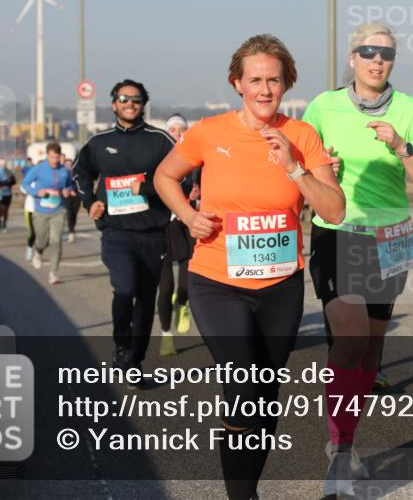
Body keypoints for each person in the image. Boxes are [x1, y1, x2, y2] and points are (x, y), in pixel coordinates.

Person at [154, 34, 345, 500]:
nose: (264, 89)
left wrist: (294, 169)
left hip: (280, 286)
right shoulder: (210, 132)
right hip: (217, 281)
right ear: (236, 83)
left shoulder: (301, 137)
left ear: (286, 85)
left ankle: (247, 489)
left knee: (264, 395)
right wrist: (188, 215)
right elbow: (164, 175)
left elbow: (335, 210)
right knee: (243, 384)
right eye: (255, 80)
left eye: (274, 80)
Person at [303, 22, 413, 496]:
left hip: (391, 237)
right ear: (351, 57)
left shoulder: (408, 110)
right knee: (352, 336)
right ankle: (339, 451)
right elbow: (301, 167)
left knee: (368, 348)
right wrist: (325, 170)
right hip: (338, 233)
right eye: (367, 51)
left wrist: (401, 147)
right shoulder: (324, 106)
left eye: (385, 53)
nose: (376, 60)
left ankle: (349, 437)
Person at [72, 79, 176, 385]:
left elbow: (181, 176)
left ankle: (135, 361)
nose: (130, 104)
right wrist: (89, 201)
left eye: (136, 99)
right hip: (116, 232)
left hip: (153, 232)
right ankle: (121, 344)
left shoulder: (161, 140)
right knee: (125, 289)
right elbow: (80, 173)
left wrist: (147, 187)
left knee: (145, 299)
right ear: (114, 103)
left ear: (144, 104)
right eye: (124, 99)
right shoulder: (99, 142)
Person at [155, 113, 200, 357]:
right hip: (163, 226)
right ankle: (165, 335)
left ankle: (182, 303)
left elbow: (205, 186)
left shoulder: (196, 161)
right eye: (172, 128)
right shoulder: (156, 160)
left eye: (181, 128)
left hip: (187, 223)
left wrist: (198, 195)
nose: (177, 132)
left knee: (187, 282)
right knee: (165, 287)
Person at [24, 143, 73, 285]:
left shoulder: (64, 170)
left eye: (57, 157)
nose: (55, 161)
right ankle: (38, 251)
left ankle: (53, 273)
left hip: (58, 210)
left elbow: (69, 185)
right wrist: (36, 192)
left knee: (56, 241)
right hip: (41, 211)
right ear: (47, 155)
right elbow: (25, 184)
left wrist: (67, 191)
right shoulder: (38, 169)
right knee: (42, 240)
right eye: (52, 157)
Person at [0, 159, 16, 232]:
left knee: (6, 209)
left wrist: (7, 184)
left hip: (7, 193)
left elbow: (13, 181)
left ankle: (4, 223)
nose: (2, 166)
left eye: (4, 164)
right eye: (1, 165)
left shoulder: (9, 172)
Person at [62, 157, 80, 243]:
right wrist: (69, 190)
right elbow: (62, 184)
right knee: (69, 213)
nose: (69, 166)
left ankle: (72, 227)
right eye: (67, 165)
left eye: (70, 164)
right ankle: (71, 232)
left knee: (74, 213)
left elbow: (80, 183)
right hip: (67, 196)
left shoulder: (76, 173)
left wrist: (75, 190)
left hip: (76, 196)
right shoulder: (63, 173)